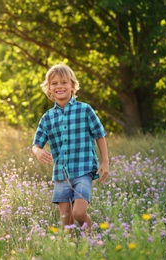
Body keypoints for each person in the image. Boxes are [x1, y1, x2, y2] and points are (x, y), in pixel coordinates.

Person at [32, 63, 109, 233]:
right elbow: (36, 143)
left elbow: (99, 134)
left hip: (83, 170)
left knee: (79, 213)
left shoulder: (85, 110)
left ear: (73, 86)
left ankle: (91, 238)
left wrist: (105, 161)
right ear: (49, 89)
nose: (59, 86)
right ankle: (73, 251)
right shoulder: (47, 118)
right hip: (61, 174)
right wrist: (38, 151)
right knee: (66, 222)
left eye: (64, 82)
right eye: (54, 83)